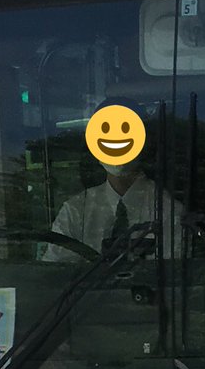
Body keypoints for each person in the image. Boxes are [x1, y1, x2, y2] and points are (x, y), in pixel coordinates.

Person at [42, 98, 180, 262]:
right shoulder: (75, 212)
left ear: (145, 141)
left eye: (126, 130)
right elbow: (53, 276)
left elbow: (175, 278)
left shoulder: (168, 212)